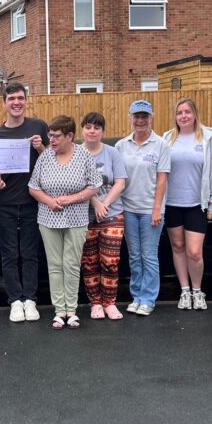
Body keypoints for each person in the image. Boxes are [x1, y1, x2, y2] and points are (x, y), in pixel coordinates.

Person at [29, 115, 102, 329]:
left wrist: (71, 199)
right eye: (50, 135)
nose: (51, 139)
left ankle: (72, 309)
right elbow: (33, 187)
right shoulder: (45, 158)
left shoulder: (83, 155)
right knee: (55, 265)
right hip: (48, 218)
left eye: (56, 136)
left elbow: (95, 186)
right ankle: (59, 311)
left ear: (69, 136)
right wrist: (49, 202)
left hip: (77, 218)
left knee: (71, 264)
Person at [0, 83, 48, 323]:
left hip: (34, 201)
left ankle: (30, 300)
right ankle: (15, 301)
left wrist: (40, 147)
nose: (16, 102)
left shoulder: (39, 127)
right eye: (11, 98)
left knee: (31, 253)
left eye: (20, 98)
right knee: (10, 253)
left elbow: (53, 162)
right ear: (4, 103)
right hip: (6, 202)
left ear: (26, 101)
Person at [162, 98, 212, 310]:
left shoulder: (208, 138)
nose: (184, 116)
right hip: (171, 203)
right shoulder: (167, 139)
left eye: (187, 112)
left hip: (197, 204)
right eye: (180, 113)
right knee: (178, 247)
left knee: (195, 252)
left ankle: (198, 291)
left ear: (195, 114)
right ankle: (185, 291)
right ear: (175, 116)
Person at [115, 100, 170, 317]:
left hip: (151, 210)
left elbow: (162, 179)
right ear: (130, 117)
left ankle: (148, 298)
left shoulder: (160, 145)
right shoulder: (121, 145)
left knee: (149, 255)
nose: (140, 120)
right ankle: (136, 296)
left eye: (144, 117)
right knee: (134, 256)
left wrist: (157, 208)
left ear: (151, 118)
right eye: (136, 116)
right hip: (128, 208)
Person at [79, 112, 127, 320]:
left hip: (112, 214)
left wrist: (104, 204)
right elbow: (75, 185)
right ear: (82, 130)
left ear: (102, 131)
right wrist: (95, 202)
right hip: (83, 216)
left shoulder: (112, 153)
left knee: (110, 261)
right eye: (88, 127)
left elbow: (120, 182)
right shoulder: (76, 153)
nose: (92, 131)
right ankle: (95, 303)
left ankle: (110, 303)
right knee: (89, 262)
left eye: (97, 127)